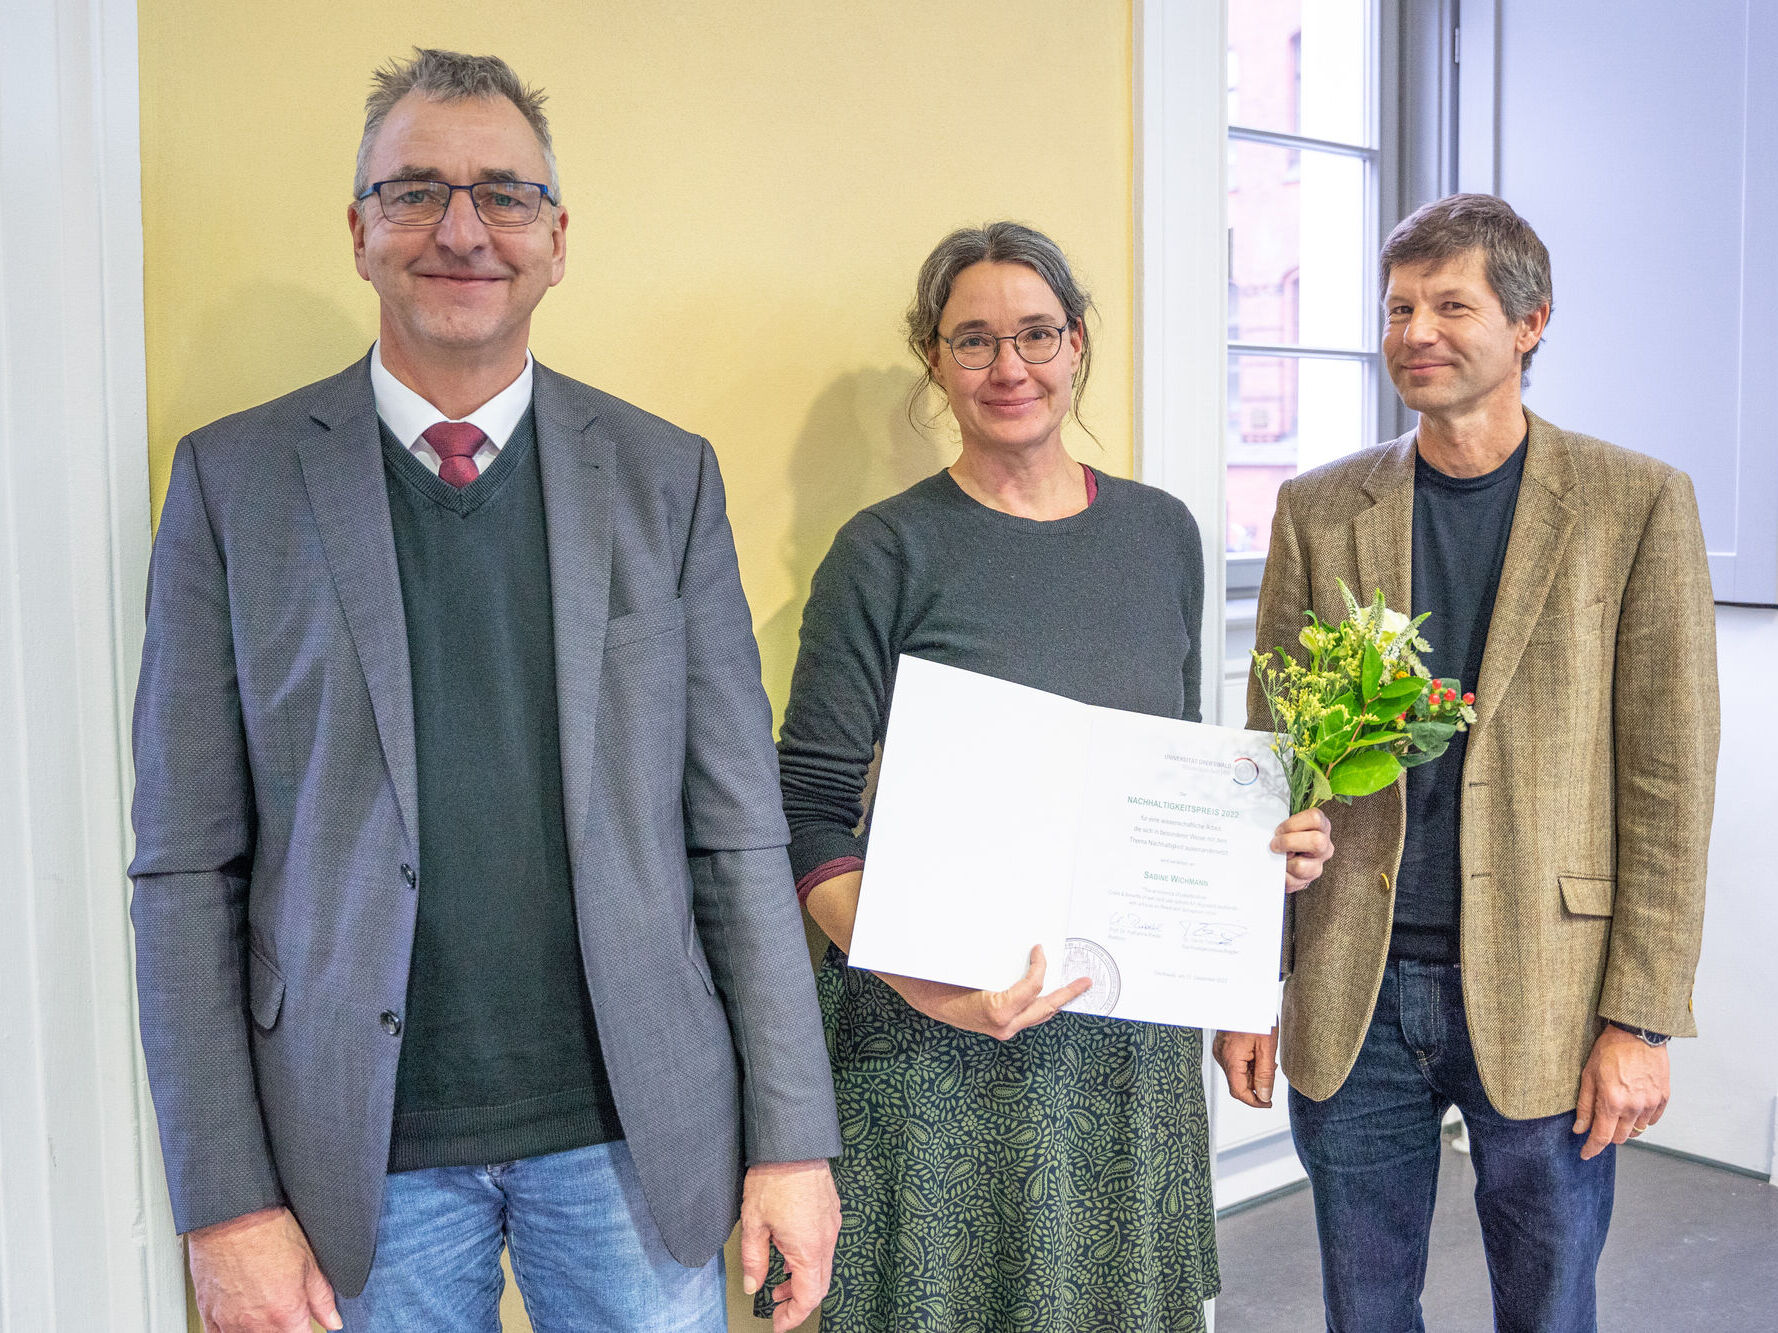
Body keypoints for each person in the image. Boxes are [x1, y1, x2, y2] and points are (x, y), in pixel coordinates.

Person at [129, 48, 840, 1333]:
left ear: (558, 239)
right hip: (352, 1156)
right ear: (358, 231)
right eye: (414, 192)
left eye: (505, 195)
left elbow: (737, 834)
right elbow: (183, 871)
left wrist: (791, 1141)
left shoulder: (663, 479)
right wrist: (222, 1205)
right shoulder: (233, 486)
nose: (463, 230)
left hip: (632, 1139)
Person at [771, 221, 1333, 1332]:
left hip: (1126, 1033)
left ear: (1077, 344)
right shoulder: (884, 549)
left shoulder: (1160, 534)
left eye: (1035, 333)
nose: (1008, 366)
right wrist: (925, 985)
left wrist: (1258, 874)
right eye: (972, 340)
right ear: (933, 360)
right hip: (933, 1037)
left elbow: (1186, 773)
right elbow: (807, 812)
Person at [1215, 193, 1719, 1333]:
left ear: (1529, 323)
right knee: (1364, 1306)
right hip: (1354, 981)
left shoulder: (1633, 502)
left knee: (1546, 1307)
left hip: (1548, 984)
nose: (1414, 332)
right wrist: (1243, 980)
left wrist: (1637, 1020)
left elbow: (1666, 782)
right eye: (1397, 307)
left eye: (1449, 304)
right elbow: (1271, 761)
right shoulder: (1318, 506)